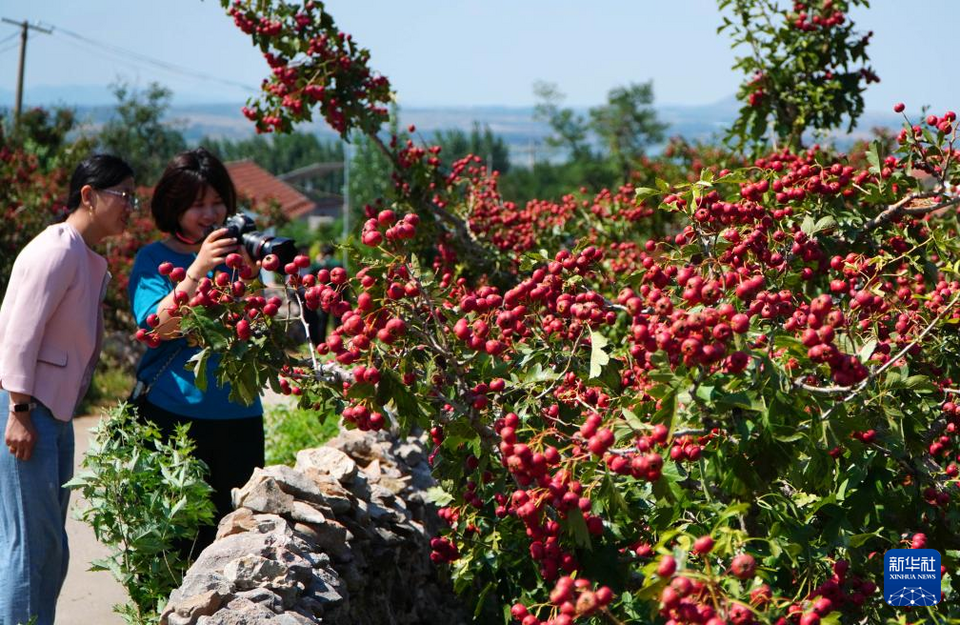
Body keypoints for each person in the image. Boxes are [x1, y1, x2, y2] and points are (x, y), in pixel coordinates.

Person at [0, 154, 136, 625]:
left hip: (51, 414)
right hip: (29, 409)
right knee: (31, 545)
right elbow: (18, 333)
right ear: (88, 195)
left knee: (49, 546)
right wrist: (17, 410)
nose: (130, 207)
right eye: (123, 196)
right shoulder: (57, 249)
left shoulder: (83, 254)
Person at [127, 147, 263, 554]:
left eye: (218, 203)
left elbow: (255, 329)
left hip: (240, 416)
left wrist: (251, 279)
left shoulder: (234, 258)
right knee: (175, 545)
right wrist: (197, 271)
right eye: (198, 205)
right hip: (175, 419)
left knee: (236, 542)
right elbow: (157, 329)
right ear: (173, 207)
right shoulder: (154, 259)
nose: (211, 215)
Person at [306, 243, 344, 343]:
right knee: (337, 320)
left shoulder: (319, 264)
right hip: (337, 295)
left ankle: (321, 342)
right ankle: (338, 340)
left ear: (322, 253)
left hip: (324, 295)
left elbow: (310, 275)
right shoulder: (338, 263)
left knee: (323, 320)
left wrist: (318, 261)